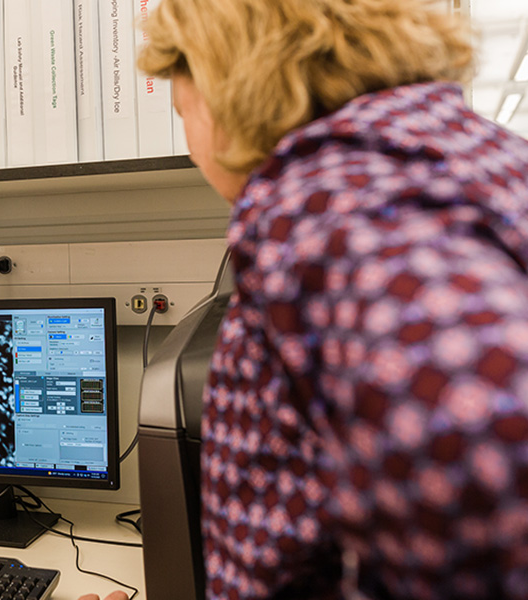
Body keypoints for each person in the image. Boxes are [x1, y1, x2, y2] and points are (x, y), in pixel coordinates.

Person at [90, 0, 528, 599]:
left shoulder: (333, 213)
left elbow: (487, 437)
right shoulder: (483, 161)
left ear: (225, 86)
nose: (191, 145)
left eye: (180, 108)